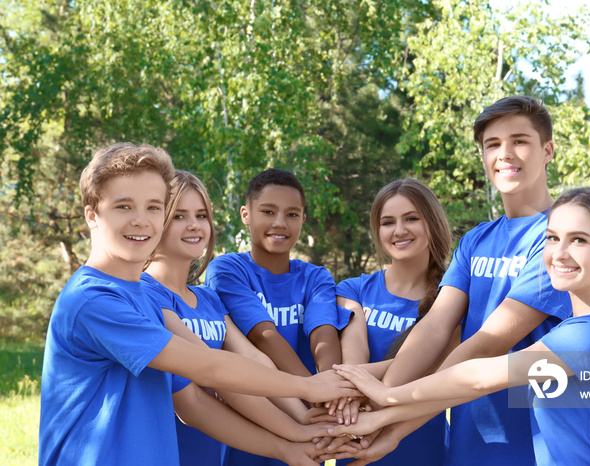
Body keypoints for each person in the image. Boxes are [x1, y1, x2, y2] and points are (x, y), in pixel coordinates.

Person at [39, 143, 359, 466]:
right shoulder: (94, 299)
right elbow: (211, 367)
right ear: (92, 215)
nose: (142, 221)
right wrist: (308, 386)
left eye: (153, 207)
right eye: (124, 207)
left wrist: (289, 444)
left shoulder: (141, 297)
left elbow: (193, 401)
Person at [324, 96, 574, 465]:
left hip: (534, 443)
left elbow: (485, 344)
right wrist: (380, 406)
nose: (505, 154)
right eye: (492, 145)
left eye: (519, 140)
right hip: (466, 438)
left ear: (547, 150)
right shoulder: (475, 241)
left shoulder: (560, 236)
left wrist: (385, 409)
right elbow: (434, 329)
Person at [330, 186, 590, 465]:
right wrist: (390, 425)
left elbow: (478, 376)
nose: (559, 253)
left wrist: (387, 399)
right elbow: (464, 378)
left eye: (579, 240)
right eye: (553, 238)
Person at [142, 170, 338, 465]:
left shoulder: (208, 299)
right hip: (170, 452)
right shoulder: (145, 293)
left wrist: (307, 418)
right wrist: (300, 423)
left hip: (216, 450)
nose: (194, 225)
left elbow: (254, 362)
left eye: (202, 215)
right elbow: (213, 376)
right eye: (179, 216)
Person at [205, 168, 353, 465]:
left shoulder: (316, 277)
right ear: (246, 214)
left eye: (292, 214)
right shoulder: (228, 270)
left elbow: (323, 334)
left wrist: (330, 394)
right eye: (268, 211)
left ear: (303, 220)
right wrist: (314, 391)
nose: (279, 223)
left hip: (311, 423)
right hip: (254, 425)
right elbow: (264, 335)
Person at [333, 178, 455, 465]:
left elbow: (438, 366)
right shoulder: (352, 290)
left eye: (411, 218)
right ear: (377, 231)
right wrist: (355, 388)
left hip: (420, 448)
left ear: (432, 223)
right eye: (388, 222)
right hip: (355, 444)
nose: (399, 230)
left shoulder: (451, 298)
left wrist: (361, 386)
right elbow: (355, 358)